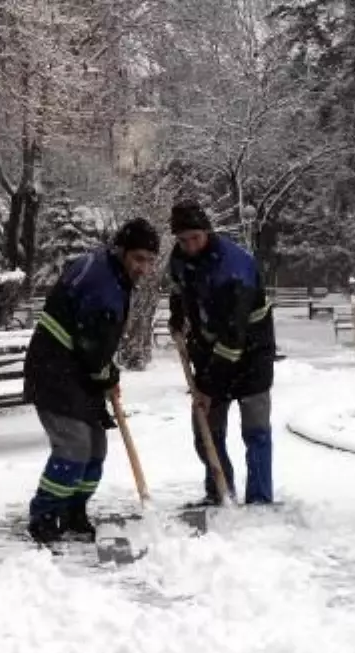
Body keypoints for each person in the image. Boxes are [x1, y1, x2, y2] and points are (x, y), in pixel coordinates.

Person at [23, 218, 161, 546]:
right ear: (121, 251)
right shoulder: (105, 287)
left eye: (150, 260)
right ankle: (43, 514)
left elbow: (95, 346)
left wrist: (103, 375)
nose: (144, 267)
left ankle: (73, 511)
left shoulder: (109, 271)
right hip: (54, 371)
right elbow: (93, 347)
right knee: (74, 447)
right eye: (139, 258)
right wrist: (107, 376)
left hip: (76, 371)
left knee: (96, 449)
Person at [167, 200, 276, 507]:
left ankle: (259, 501)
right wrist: (177, 316)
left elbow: (233, 337)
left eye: (195, 238)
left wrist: (207, 388)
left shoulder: (235, 267)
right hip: (208, 350)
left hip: (252, 350)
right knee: (207, 432)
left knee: (255, 431)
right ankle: (220, 491)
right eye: (183, 239)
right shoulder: (178, 259)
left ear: (207, 231)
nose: (189, 246)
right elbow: (179, 289)